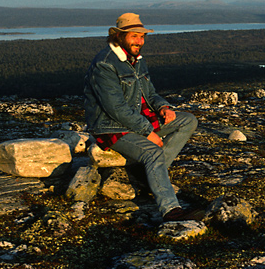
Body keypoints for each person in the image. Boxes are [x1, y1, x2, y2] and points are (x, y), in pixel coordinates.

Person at [84, 13, 199, 221]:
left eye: (142, 36)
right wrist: (147, 132)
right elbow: (115, 108)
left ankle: (148, 176)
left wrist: (163, 106)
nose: (140, 41)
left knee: (188, 121)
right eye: (134, 36)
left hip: (136, 120)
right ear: (120, 37)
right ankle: (171, 210)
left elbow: (150, 92)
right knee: (153, 152)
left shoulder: (137, 60)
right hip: (111, 126)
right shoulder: (105, 64)